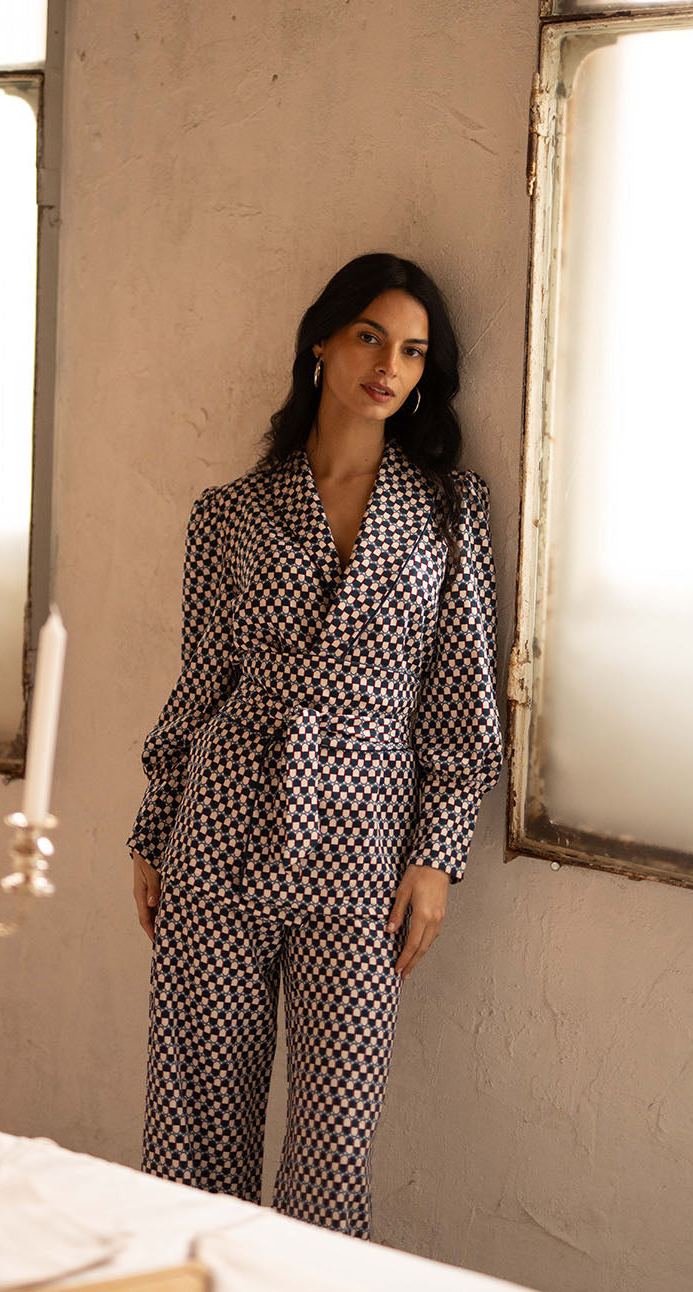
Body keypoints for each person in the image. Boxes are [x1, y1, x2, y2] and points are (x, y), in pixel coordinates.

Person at [126, 252, 503, 1241]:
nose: (389, 366)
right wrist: (154, 831)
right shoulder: (230, 515)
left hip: (366, 835)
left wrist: (436, 857)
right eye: (370, 337)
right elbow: (201, 684)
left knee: (331, 1151)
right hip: (224, 820)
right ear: (321, 343)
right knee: (195, 1131)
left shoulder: (448, 510)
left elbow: (462, 699)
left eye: (412, 351)